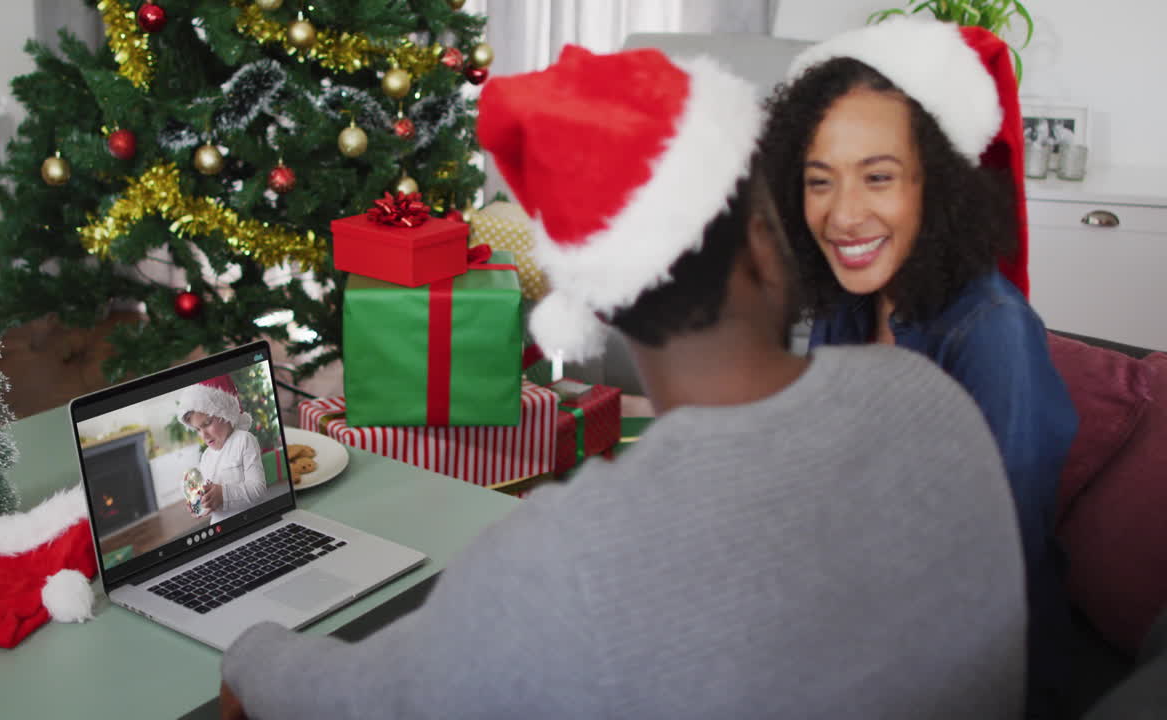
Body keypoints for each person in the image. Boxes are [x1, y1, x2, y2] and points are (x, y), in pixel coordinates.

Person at [220, 45, 1027, 719]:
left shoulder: (565, 559)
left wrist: (250, 652)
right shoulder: (930, 399)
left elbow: (356, 701)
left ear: (598, 305)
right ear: (762, 242)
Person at [758, 17, 1078, 718]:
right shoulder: (850, 305)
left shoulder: (991, 332)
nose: (843, 216)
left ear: (939, 185)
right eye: (819, 182)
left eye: (878, 177)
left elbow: (994, 566)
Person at [177, 375, 266, 523]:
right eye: (197, 429)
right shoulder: (206, 456)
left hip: (249, 524)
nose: (203, 435)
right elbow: (208, 495)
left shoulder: (244, 441)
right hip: (220, 528)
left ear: (225, 413)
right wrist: (201, 503)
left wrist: (224, 494)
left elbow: (258, 490)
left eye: (207, 423)